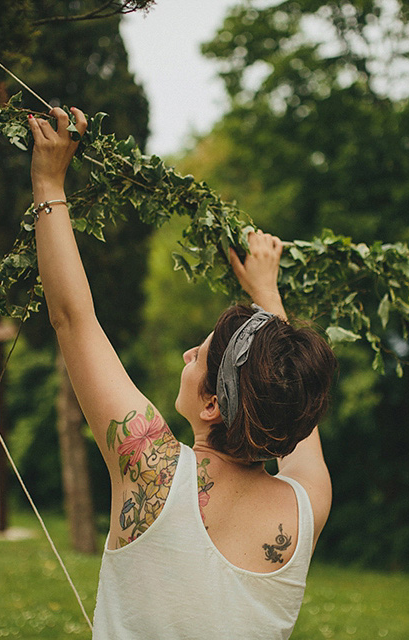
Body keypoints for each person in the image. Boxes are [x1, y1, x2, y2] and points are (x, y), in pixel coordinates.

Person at [27, 107, 337, 639]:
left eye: (201, 353)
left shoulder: (150, 467)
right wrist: (266, 293)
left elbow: (73, 321)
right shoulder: (306, 506)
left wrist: (48, 179)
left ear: (213, 404)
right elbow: (289, 391)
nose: (187, 356)